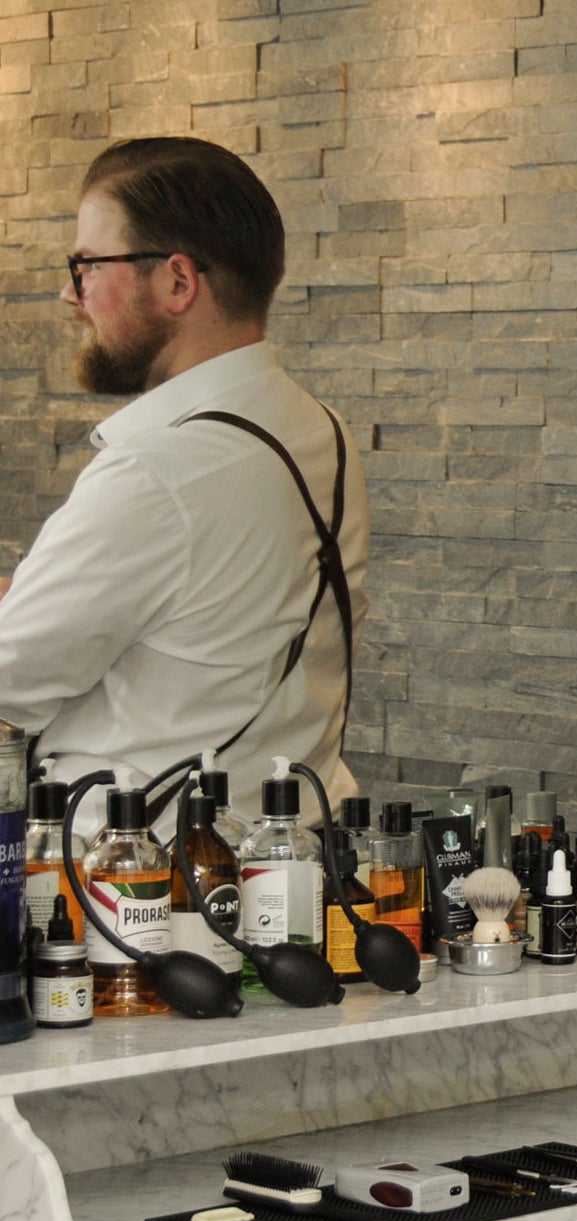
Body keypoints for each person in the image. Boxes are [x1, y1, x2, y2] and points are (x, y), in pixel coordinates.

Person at [0, 136, 367, 824]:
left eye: (85, 264)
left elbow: (9, 678)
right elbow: (208, 620)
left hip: (132, 894)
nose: (67, 293)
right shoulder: (320, 432)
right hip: (278, 856)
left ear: (176, 281)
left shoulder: (154, 471)